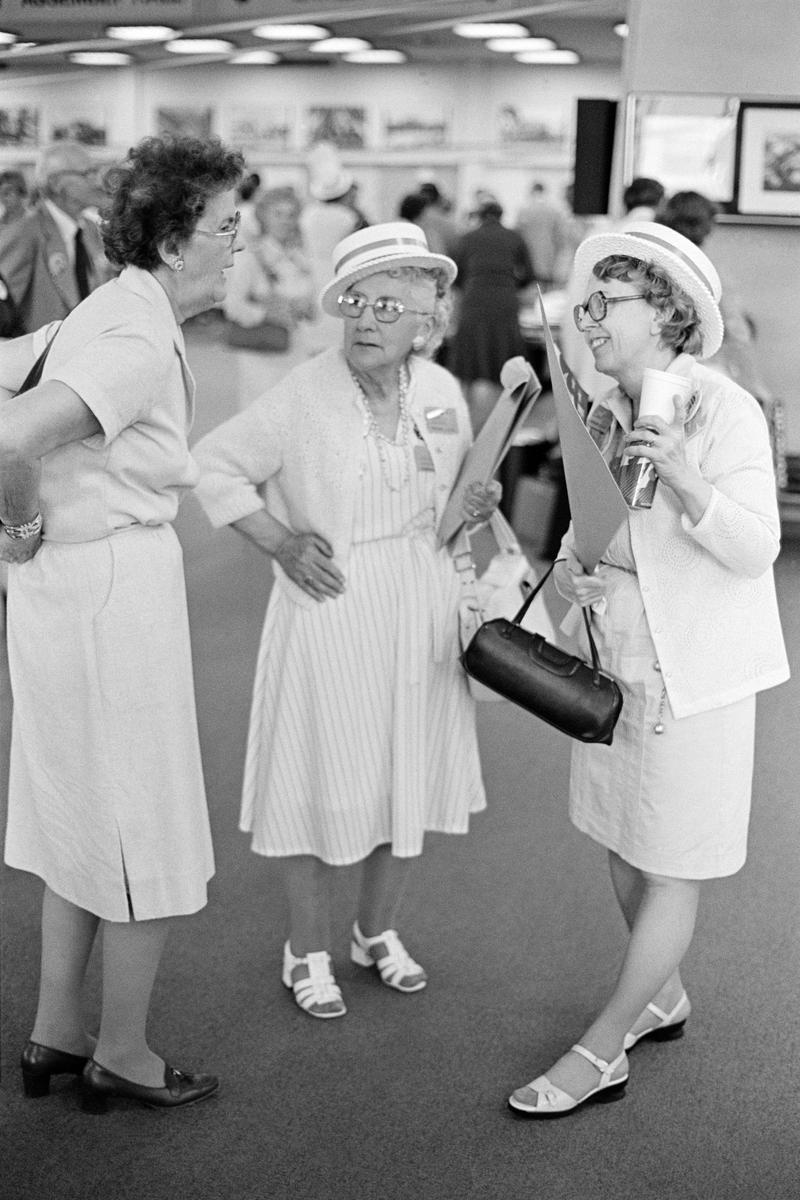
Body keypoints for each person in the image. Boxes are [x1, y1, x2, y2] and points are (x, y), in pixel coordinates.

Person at [508, 222, 789, 1118]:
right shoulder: (596, 412)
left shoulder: (724, 408)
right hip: (613, 663)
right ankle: (660, 990)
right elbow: (576, 543)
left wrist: (684, 478)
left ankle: (604, 1045)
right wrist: (574, 574)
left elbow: (756, 547)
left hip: (694, 672)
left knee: (671, 863)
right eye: (584, 303)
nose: (587, 319)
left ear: (665, 313)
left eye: (605, 303)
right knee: (622, 836)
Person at [193, 222, 500, 1020]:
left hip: (420, 604)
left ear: (427, 321)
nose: (366, 318)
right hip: (332, 606)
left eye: (389, 305)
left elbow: (451, 509)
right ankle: (308, 947)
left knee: (407, 769)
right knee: (318, 775)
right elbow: (216, 467)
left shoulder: (437, 393)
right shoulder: (305, 390)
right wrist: (282, 541)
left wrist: (477, 504)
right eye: (356, 301)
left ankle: (375, 932)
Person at [0, 133, 245, 1111]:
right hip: (108, 592)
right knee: (146, 827)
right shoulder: (137, 334)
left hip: (68, 590)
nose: (241, 242)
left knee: (79, 820)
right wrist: (14, 517)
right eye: (228, 226)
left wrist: (25, 528)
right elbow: (13, 431)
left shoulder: (109, 312)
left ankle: (54, 1035)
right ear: (180, 240)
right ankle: (124, 1052)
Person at [0, 141, 111, 333]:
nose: (97, 182)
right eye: (88, 174)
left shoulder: (92, 229)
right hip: (41, 357)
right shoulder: (26, 232)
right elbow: (4, 314)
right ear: (57, 183)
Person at [449, 199, 534, 433]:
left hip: (474, 301)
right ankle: (499, 423)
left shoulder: (467, 238)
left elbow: (455, 275)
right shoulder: (514, 237)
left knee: (470, 361)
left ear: (480, 216)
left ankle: (467, 422)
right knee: (501, 356)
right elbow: (528, 274)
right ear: (501, 215)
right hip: (505, 301)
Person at [514, 181, 574, 291]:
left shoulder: (523, 210)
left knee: (532, 291)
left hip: (529, 258)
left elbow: (518, 236)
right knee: (546, 293)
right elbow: (560, 238)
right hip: (549, 258)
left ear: (532, 191)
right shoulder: (553, 210)